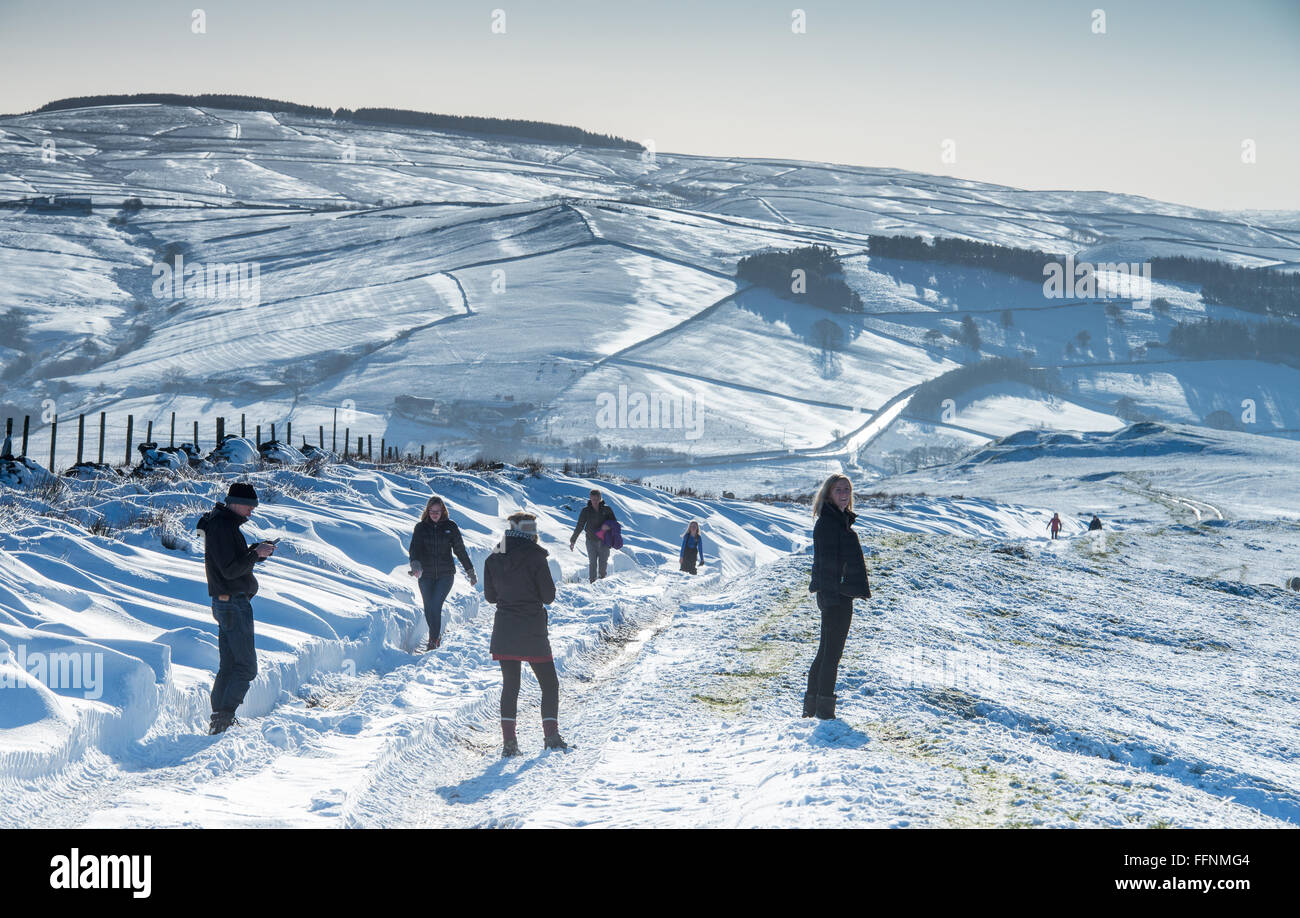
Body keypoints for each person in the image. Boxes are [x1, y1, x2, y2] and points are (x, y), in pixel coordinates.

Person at [196, 482, 275, 735]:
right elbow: (230, 570)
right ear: (235, 502)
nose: (252, 512)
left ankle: (220, 720)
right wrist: (255, 555)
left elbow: (230, 563)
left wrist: (254, 551)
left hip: (227, 602)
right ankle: (224, 718)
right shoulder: (222, 527)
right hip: (232, 603)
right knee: (246, 667)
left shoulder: (222, 524)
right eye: (249, 506)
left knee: (230, 665)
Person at [485, 512, 567, 755]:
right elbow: (548, 597)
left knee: (510, 686)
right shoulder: (535, 556)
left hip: (505, 629)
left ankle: (509, 744)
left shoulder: (494, 557)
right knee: (549, 684)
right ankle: (551, 737)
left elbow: (490, 597)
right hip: (532, 629)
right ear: (530, 530)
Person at [805, 474, 870, 721]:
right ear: (828, 494)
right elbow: (825, 564)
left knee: (826, 652)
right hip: (836, 597)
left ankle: (812, 709)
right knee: (831, 654)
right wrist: (834, 595)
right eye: (838, 490)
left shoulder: (838, 521)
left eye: (847, 489)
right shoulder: (829, 523)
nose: (844, 493)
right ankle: (823, 711)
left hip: (838, 595)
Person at [407, 496, 476, 651]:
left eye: (437, 511)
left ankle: (433, 639)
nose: (434, 514)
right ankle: (435, 636)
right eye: (431, 511)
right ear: (427, 511)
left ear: (443, 511)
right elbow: (414, 550)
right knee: (428, 606)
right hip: (426, 574)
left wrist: (470, 571)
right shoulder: (420, 528)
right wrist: (416, 565)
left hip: (446, 575)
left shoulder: (450, 527)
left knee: (435, 604)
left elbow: (460, 550)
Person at [569, 488, 618, 583]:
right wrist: (573, 540)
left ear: (600, 498)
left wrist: (607, 527)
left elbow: (614, 524)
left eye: (596, 499)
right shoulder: (586, 511)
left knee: (603, 564)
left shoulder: (607, 509)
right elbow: (580, 526)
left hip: (604, 541)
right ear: (590, 498)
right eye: (592, 499)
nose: (594, 501)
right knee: (592, 563)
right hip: (591, 540)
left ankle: (602, 582)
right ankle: (592, 583)